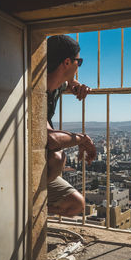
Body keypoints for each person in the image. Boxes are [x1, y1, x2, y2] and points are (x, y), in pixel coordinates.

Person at [46, 35, 96, 217]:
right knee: (57, 158)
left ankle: (34, 209)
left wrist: (78, 85)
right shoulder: (35, 90)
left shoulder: (55, 86)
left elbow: (68, 83)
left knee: (76, 204)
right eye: (79, 61)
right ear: (67, 62)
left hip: (39, 167)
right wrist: (82, 139)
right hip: (22, 162)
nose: (78, 66)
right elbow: (50, 139)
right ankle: (28, 207)